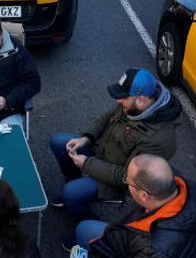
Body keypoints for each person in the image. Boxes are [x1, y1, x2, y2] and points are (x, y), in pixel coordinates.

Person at [59, 155, 196, 258]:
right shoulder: (173, 188)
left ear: (144, 195)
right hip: (132, 252)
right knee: (84, 228)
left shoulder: (155, 254)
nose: (125, 182)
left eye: (128, 180)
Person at [49, 67, 181, 224]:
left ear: (142, 100)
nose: (118, 101)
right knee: (58, 142)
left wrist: (87, 164)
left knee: (71, 193)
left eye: (123, 98)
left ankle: (86, 227)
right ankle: (74, 184)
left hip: (118, 182)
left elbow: (126, 177)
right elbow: (107, 118)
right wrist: (86, 138)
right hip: (101, 154)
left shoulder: (159, 140)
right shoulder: (133, 104)